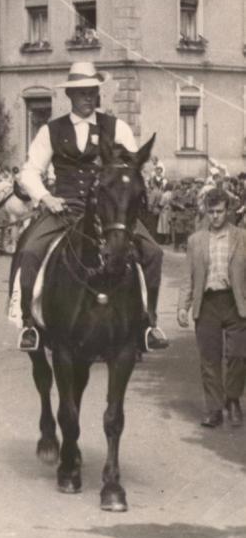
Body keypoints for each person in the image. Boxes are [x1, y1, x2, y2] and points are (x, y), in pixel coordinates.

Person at [14, 61, 168, 352]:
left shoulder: (116, 127)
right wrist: (46, 198)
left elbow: (132, 166)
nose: (88, 98)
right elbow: (30, 171)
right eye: (82, 92)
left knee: (154, 253)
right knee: (30, 251)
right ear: (70, 95)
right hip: (65, 208)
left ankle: (149, 323)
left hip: (107, 212)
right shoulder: (51, 130)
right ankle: (29, 325)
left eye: (92, 92)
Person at [177, 188, 246, 428]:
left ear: (228, 211)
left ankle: (233, 397)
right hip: (207, 304)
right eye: (211, 212)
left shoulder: (242, 237)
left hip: (235, 303)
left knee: (239, 355)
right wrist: (182, 307)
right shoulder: (196, 240)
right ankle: (215, 409)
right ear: (206, 211)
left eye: (219, 212)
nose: (215, 216)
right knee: (209, 359)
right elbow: (188, 277)